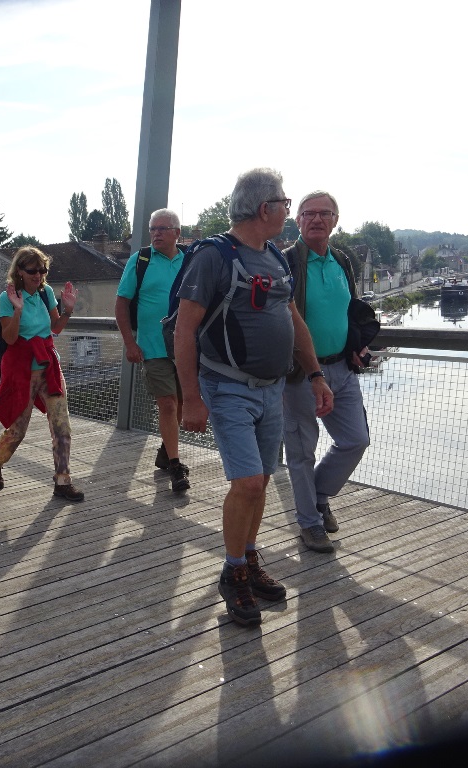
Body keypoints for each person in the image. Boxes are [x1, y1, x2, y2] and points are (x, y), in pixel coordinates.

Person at [175, 168, 334, 627]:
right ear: (266, 208)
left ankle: (247, 558)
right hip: (226, 388)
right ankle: (232, 573)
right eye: (285, 203)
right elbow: (185, 331)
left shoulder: (276, 259)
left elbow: (294, 321)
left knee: (261, 481)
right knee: (246, 483)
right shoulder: (213, 257)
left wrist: (316, 374)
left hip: (272, 391)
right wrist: (191, 397)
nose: (289, 210)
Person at [283, 191, 371, 553]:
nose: (316, 219)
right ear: (298, 220)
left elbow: (350, 309)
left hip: (341, 367)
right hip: (301, 373)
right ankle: (309, 523)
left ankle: (318, 496)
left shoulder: (343, 261)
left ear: (336, 220)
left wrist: (357, 344)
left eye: (324, 213)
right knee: (302, 450)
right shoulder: (286, 261)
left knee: (356, 440)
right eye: (309, 213)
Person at [0, 246, 84, 502]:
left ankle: (63, 481)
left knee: (62, 427)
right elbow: (9, 337)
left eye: (42, 270)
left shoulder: (46, 292)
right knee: (18, 430)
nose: (38, 275)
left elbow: (56, 328)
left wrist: (68, 310)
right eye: (32, 270)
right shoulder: (8, 297)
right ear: (19, 271)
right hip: (21, 369)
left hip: (48, 365)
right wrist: (17, 310)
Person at [115, 208, 190, 494]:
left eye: (162, 228)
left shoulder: (190, 260)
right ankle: (175, 465)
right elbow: (121, 304)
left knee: (182, 404)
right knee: (168, 404)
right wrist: (130, 343)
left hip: (186, 347)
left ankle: (164, 449)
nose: (156, 234)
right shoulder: (140, 261)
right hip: (153, 347)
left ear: (176, 233)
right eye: (153, 229)